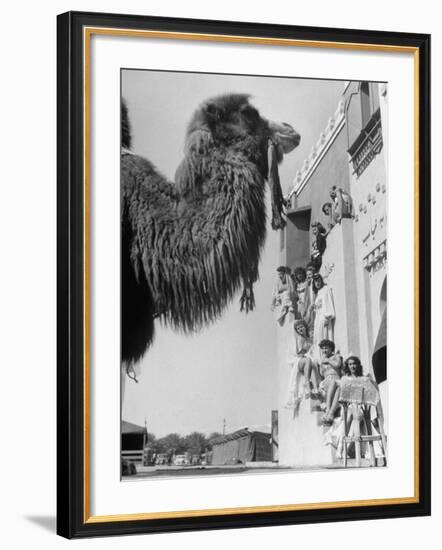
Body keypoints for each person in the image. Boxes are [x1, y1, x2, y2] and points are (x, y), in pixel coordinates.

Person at [286, 320, 320, 409]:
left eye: (301, 327)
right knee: (308, 360)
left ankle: (315, 388)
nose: (300, 329)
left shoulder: (310, 338)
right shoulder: (299, 339)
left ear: (305, 327)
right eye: (298, 329)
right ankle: (307, 383)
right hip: (299, 361)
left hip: (307, 360)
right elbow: (299, 353)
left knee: (311, 364)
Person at [317, 339, 342, 424]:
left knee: (334, 383)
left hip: (335, 378)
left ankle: (328, 410)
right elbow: (321, 373)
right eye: (323, 348)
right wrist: (322, 363)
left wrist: (327, 360)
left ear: (331, 348)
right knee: (330, 384)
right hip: (326, 381)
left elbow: (337, 365)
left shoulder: (336, 357)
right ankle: (329, 412)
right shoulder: (322, 360)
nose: (324, 350)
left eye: (326, 348)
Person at [311, 274, 335, 349]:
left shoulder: (325, 289)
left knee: (323, 336)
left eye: (318, 281)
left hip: (323, 317)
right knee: (317, 338)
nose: (317, 283)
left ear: (321, 281)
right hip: (318, 318)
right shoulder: (318, 292)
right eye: (315, 282)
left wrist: (327, 317)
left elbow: (328, 303)